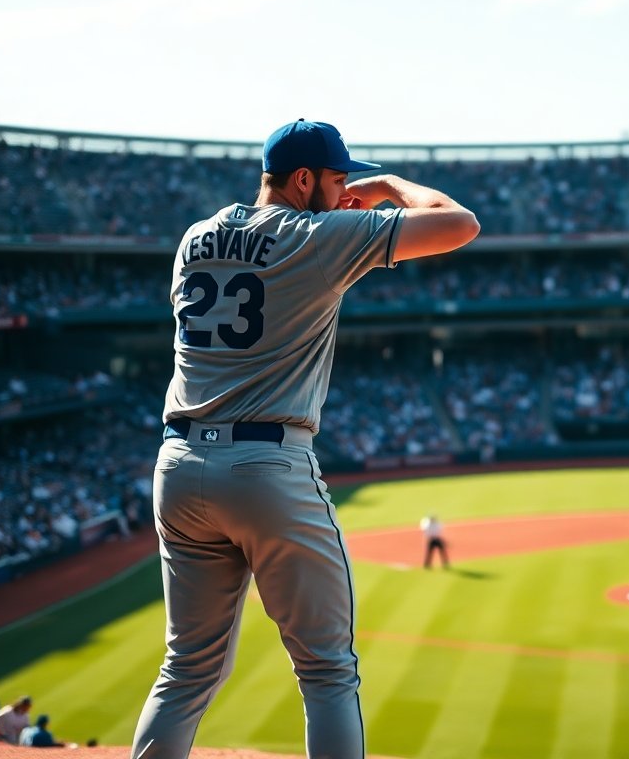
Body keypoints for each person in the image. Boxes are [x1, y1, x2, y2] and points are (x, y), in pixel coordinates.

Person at [131, 119, 480, 759]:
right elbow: (460, 223)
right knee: (327, 671)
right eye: (338, 178)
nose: (347, 188)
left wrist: (342, 200)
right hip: (266, 465)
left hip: (177, 463)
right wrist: (388, 185)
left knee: (185, 668)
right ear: (302, 180)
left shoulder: (194, 238)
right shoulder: (320, 237)